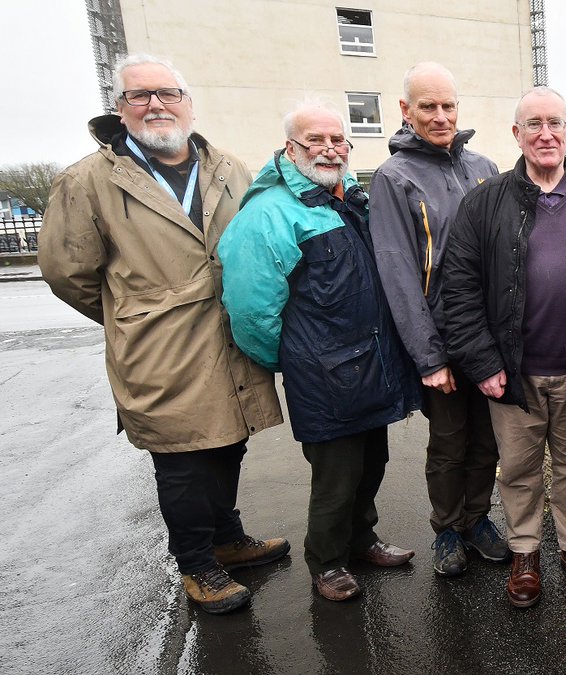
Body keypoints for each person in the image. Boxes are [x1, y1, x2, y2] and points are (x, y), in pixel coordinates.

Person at [38, 54, 288, 615]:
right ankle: (198, 564)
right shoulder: (88, 180)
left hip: (230, 337)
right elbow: (66, 272)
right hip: (160, 349)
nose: (155, 104)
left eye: (167, 93)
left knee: (230, 440)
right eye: (139, 96)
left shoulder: (225, 166)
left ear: (187, 102)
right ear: (120, 109)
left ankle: (228, 536)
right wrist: (134, 317)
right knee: (182, 459)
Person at [217, 101, 423, 602]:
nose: (330, 149)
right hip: (324, 374)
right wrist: (296, 360)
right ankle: (327, 563)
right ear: (291, 148)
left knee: (371, 462)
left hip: (370, 365)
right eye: (316, 141)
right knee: (336, 475)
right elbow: (250, 312)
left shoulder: (349, 197)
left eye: (338, 140)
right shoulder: (269, 214)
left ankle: (361, 541)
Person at [441, 86, 566, 608]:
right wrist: (482, 361)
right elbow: (459, 286)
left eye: (556, 123)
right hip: (512, 373)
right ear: (516, 135)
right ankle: (524, 551)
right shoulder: (484, 202)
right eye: (533, 124)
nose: (546, 133)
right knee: (518, 468)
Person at [371, 62, 508, 577]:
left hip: (489, 338)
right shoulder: (394, 176)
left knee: (486, 438)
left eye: (448, 105)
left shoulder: (485, 167)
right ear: (406, 111)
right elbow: (399, 272)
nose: (440, 115)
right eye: (428, 106)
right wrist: (428, 357)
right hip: (441, 340)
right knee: (450, 442)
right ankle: (448, 528)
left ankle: (477, 520)